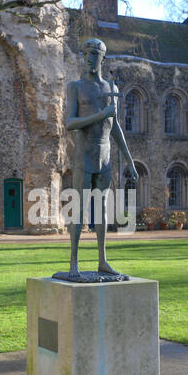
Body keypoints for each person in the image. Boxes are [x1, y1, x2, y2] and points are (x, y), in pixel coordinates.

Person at [66, 38, 139, 277]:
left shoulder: (111, 88)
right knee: (79, 209)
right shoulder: (75, 87)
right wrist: (100, 114)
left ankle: (102, 260)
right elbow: (70, 123)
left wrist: (128, 159)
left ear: (101, 58)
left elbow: (115, 127)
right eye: (85, 54)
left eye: (94, 55)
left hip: (105, 155)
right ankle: (74, 263)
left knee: (103, 210)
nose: (88, 59)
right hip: (84, 155)